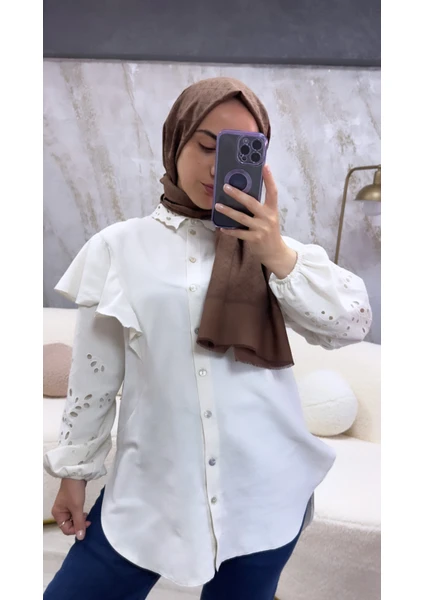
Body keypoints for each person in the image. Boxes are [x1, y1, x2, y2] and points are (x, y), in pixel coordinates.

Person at [43, 77, 371, 600]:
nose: (219, 166)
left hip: (264, 496)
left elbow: (352, 323)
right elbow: (95, 378)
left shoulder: (278, 253)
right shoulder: (118, 249)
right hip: (149, 494)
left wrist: (276, 255)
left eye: (241, 150)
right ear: (175, 142)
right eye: (205, 145)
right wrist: (73, 474)